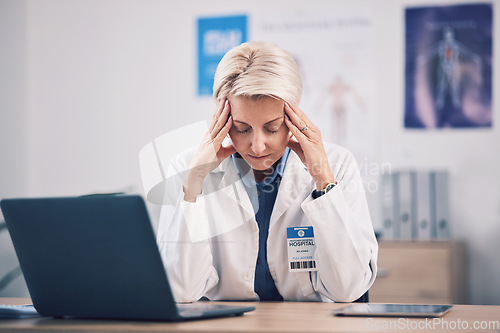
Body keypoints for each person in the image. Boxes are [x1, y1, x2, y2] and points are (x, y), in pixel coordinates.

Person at [156, 41, 378, 303]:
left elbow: (348, 289)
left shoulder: (337, 164)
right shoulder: (187, 168)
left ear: (293, 116)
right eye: (241, 128)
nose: (257, 146)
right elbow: (180, 291)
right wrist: (193, 185)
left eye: (271, 128)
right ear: (221, 116)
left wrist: (323, 179)